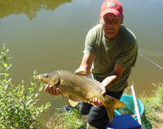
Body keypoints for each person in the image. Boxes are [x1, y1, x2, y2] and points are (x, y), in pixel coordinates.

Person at [44, 0, 138, 128]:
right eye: (106, 19)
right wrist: (70, 79)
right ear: (100, 19)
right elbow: (85, 68)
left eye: (115, 20)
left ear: (122, 20)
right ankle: (86, 125)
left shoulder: (129, 41)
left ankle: (94, 124)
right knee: (84, 111)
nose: (110, 24)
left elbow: (116, 73)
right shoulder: (93, 34)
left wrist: (100, 89)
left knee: (94, 120)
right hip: (91, 82)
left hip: (114, 85)